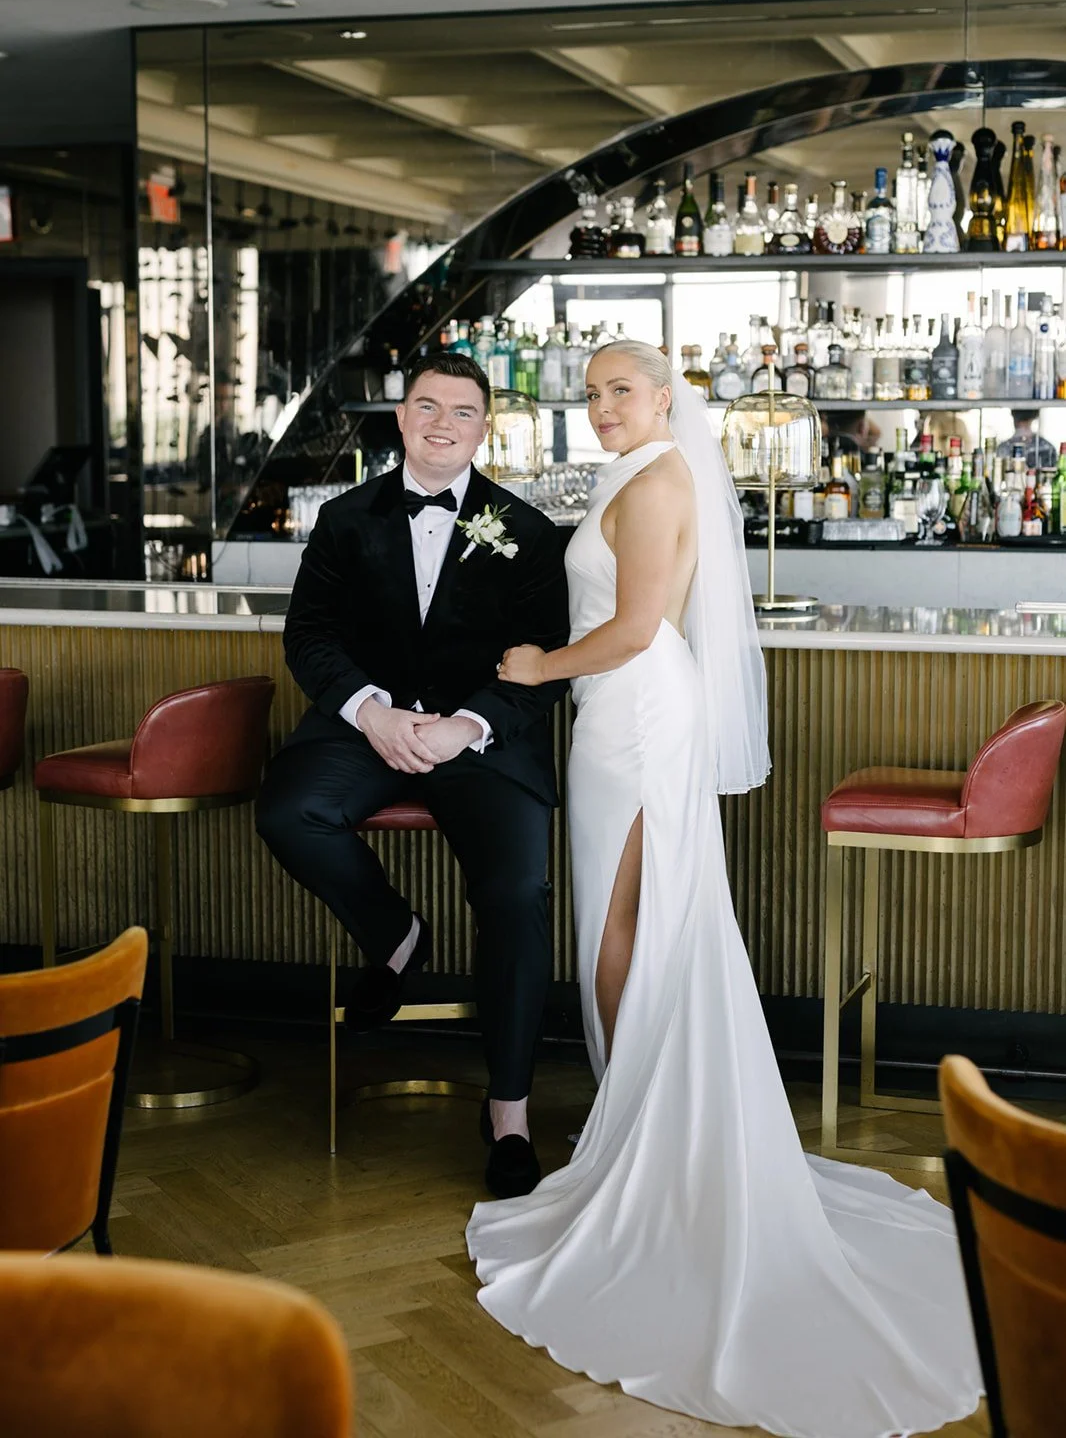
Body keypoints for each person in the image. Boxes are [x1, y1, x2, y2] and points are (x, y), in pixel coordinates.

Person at [465, 341, 982, 1438]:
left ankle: (636, 1134)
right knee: (626, 922)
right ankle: (637, 1121)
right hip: (618, 716)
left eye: (621, 390)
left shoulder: (655, 480)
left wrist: (535, 669)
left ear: (663, 399)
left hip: (636, 715)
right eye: (591, 390)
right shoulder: (630, 471)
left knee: (620, 924)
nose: (601, 405)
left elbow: (638, 626)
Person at [256, 351, 569, 1198]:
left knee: (516, 893)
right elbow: (309, 637)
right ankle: (394, 933)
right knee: (289, 812)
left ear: (484, 427)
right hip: (367, 726)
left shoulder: (530, 534)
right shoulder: (344, 519)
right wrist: (372, 711)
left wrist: (466, 726)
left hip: (481, 738)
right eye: (426, 407)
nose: (441, 424)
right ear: (400, 419)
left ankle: (508, 1113)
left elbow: (543, 666)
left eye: (461, 412)